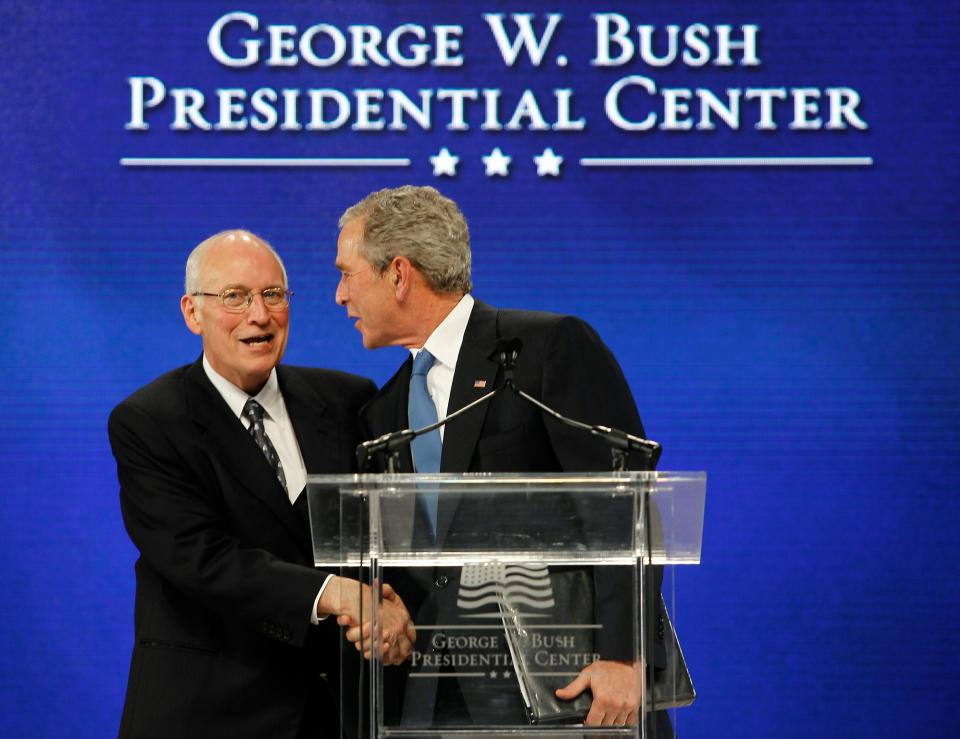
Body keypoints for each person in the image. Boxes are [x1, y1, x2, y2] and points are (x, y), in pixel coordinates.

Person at [333, 186, 670, 733]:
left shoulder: (546, 348)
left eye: (348, 273)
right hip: (440, 699)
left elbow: (621, 505)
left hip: (568, 682)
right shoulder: (384, 413)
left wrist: (625, 657)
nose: (340, 295)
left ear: (398, 273)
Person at [109, 229, 414, 739]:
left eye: (273, 294)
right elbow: (200, 557)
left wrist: (392, 611)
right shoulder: (150, 421)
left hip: (337, 712)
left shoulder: (346, 401)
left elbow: (387, 529)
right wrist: (334, 594)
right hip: (210, 713)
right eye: (235, 297)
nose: (259, 315)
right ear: (192, 312)